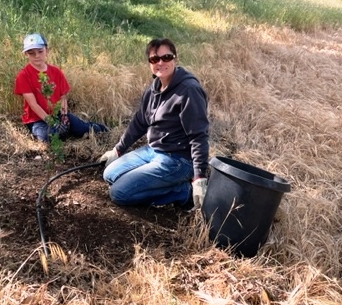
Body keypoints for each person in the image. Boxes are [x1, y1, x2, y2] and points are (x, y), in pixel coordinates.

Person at [99, 38, 209, 211]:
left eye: (166, 57)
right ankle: (160, 184)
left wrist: (199, 176)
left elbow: (198, 136)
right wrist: (118, 150)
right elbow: (140, 121)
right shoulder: (154, 88)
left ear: (175, 58)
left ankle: (182, 192)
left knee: (119, 193)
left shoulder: (189, 90)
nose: (161, 62)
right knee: (109, 174)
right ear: (149, 63)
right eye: (154, 59)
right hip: (152, 151)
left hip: (178, 159)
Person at [14, 33, 109, 143]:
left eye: (40, 51)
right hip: (37, 119)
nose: (37, 56)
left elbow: (63, 97)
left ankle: (103, 128)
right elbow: (33, 105)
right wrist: (52, 122)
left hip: (57, 113)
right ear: (26, 54)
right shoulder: (24, 75)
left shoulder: (56, 72)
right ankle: (60, 132)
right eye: (31, 53)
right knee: (49, 137)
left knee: (82, 130)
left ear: (47, 51)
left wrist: (64, 116)